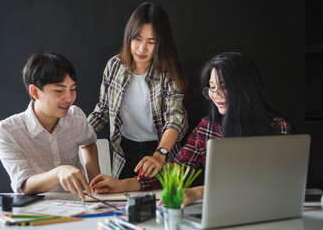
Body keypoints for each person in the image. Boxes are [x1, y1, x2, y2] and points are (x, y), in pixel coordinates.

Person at [89, 52, 291, 206]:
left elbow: (268, 185)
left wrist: (197, 193)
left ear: (244, 88)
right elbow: (172, 174)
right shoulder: (207, 130)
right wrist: (123, 184)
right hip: (220, 211)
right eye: (212, 88)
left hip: (264, 212)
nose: (216, 95)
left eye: (224, 87)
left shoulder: (277, 128)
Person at [88, 2, 188, 179]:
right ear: (129, 37)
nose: (142, 48)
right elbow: (102, 110)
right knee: (124, 202)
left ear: (161, 44)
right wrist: (77, 134)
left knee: (161, 204)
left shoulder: (168, 72)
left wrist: (160, 153)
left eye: (151, 42)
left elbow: (175, 118)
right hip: (124, 153)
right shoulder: (114, 66)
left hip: (160, 150)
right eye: (137, 39)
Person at [0, 51, 100, 199]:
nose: (69, 98)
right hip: (37, 211)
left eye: (73, 89)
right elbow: (24, 185)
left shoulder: (76, 116)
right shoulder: (7, 131)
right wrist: (58, 172)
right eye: (59, 91)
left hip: (79, 204)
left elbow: (89, 142)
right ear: (35, 92)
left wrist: (95, 182)